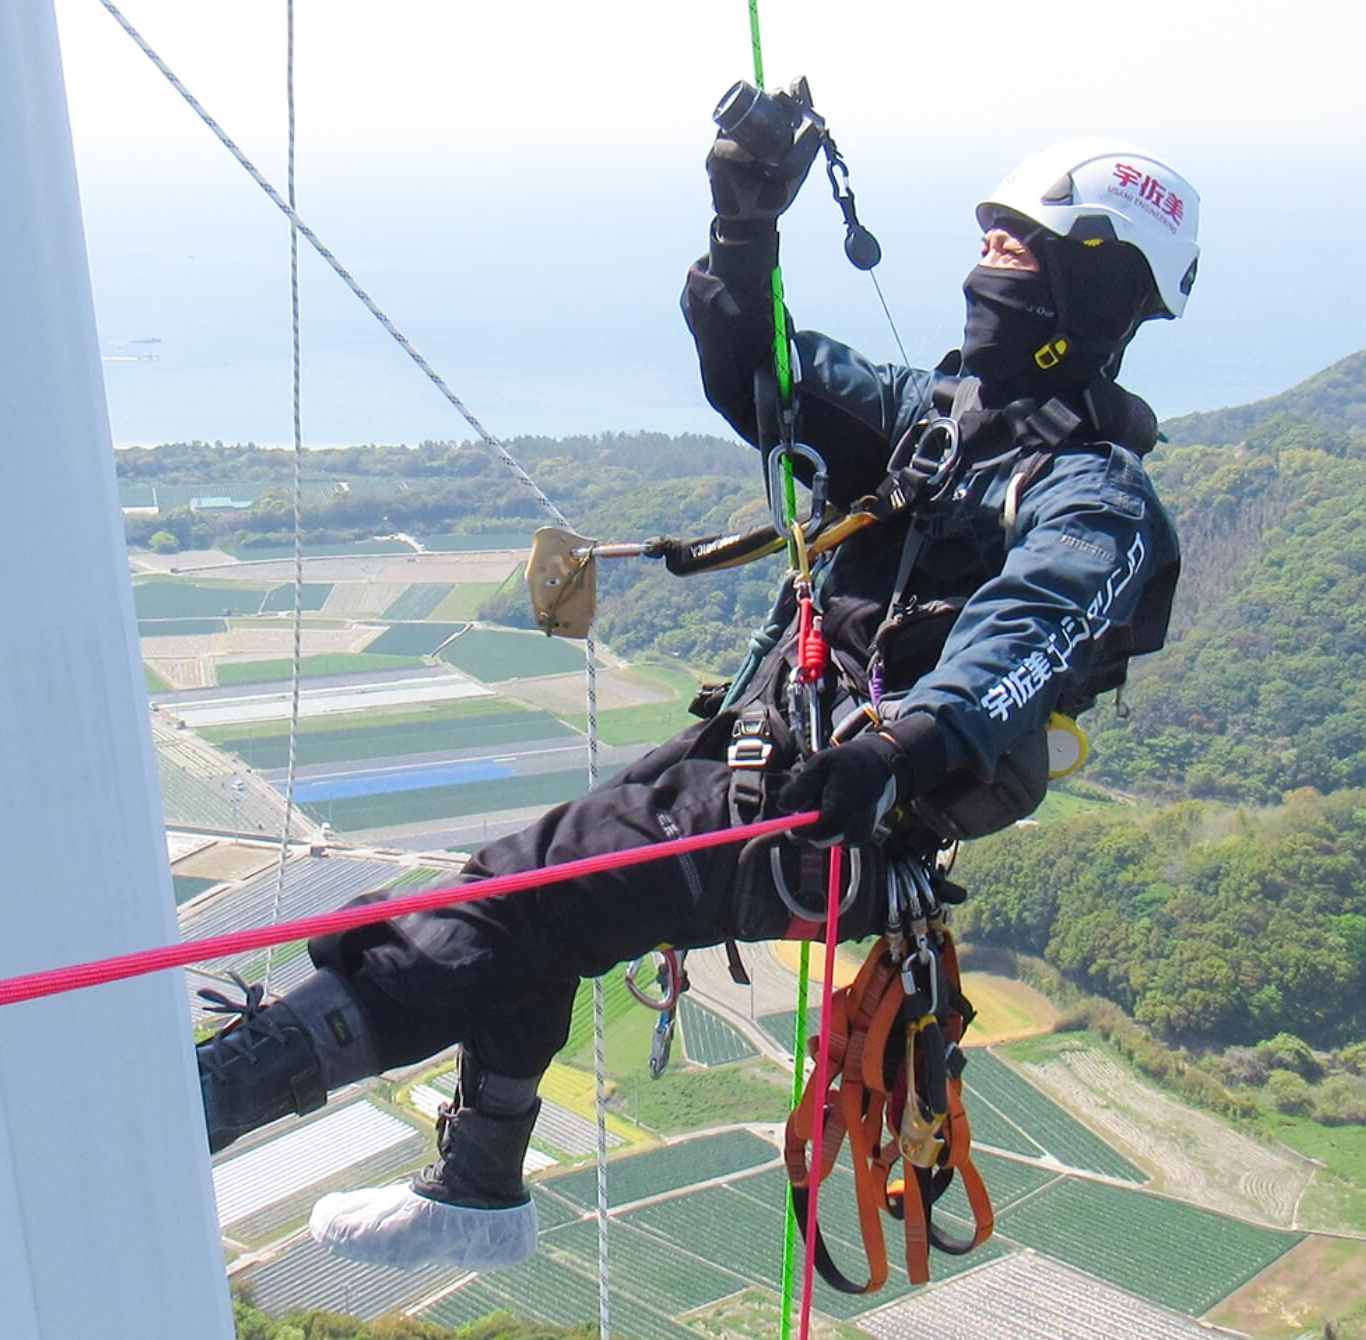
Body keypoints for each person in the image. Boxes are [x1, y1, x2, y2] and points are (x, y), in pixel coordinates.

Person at [192, 126, 1196, 1272]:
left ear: (1090, 279)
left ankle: (215, 1097)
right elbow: (761, 376)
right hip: (761, 763)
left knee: (525, 898)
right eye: (989, 238)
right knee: (518, 888)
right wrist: (745, 228)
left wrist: (902, 746)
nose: (987, 263)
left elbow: (1033, 625)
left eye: (1017, 245)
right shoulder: (935, 419)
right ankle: (477, 1180)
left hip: (838, 816)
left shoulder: (1095, 496)